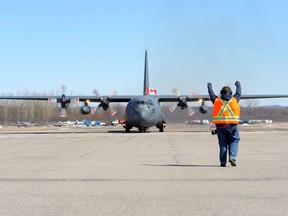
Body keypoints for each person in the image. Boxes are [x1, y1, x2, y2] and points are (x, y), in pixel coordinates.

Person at [207, 81, 241, 167]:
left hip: (220, 127)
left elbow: (211, 95)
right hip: (232, 126)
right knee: (234, 142)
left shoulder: (217, 101)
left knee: (222, 144)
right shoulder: (235, 100)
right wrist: (238, 85)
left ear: (221, 93)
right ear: (230, 93)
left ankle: (223, 162)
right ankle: (232, 157)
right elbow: (239, 93)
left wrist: (209, 87)